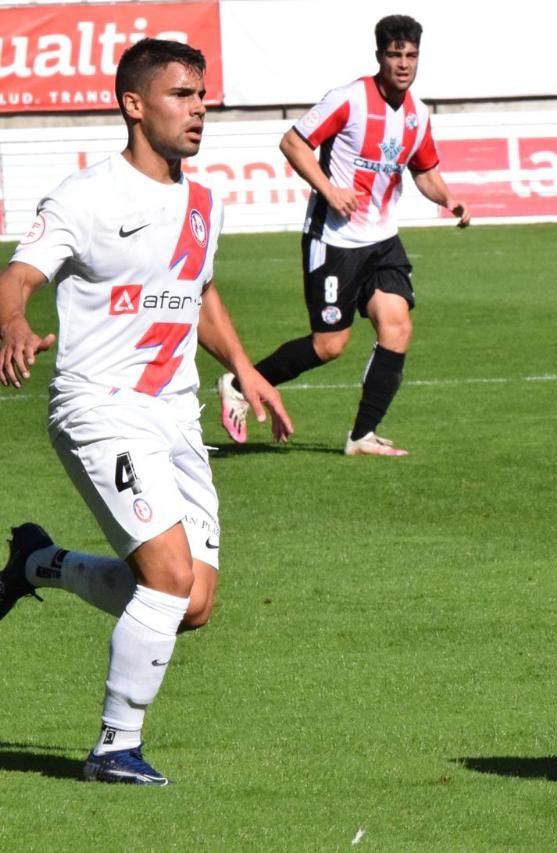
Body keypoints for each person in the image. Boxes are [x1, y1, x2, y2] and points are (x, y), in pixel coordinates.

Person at [0, 38, 293, 785]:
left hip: (174, 417)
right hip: (99, 408)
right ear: (134, 104)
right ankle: (112, 747)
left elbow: (196, 293)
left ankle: (39, 562)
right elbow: (19, 276)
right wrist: (12, 325)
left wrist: (246, 369)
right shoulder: (85, 196)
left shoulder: (203, 201)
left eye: (201, 95)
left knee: (191, 602)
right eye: (181, 95)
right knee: (166, 574)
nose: (199, 110)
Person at [215, 14, 469, 457]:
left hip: (382, 241)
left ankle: (361, 436)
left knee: (398, 326)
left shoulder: (417, 115)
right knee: (329, 346)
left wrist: (449, 198)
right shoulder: (349, 100)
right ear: (380, 56)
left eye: (411, 56)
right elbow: (293, 142)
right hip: (334, 240)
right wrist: (329, 190)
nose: (403, 64)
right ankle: (240, 383)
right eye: (395, 55)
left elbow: (424, 170)